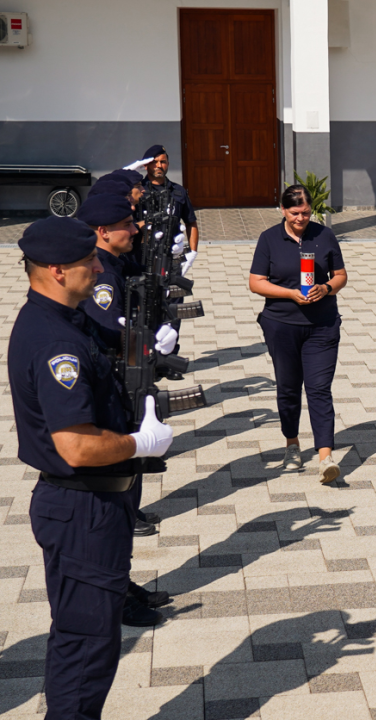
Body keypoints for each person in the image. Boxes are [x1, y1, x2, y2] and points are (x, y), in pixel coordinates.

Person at [9, 216, 174, 720]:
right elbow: (76, 447)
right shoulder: (55, 343)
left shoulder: (65, 318)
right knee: (86, 648)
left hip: (91, 505)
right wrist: (137, 442)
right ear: (58, 270)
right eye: (89, 261)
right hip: (82, 506)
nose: (99, 266)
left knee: (88, 639)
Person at [76, 196, 180, 628]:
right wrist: (148, 345)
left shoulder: (113, 265)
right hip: (113, 388)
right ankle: (113, 595)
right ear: (102, 231)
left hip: (123, 383)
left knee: (126, 497)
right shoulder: (101, 272)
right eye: (126, 223)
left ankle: (121, 582)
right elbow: (110, 327)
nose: (135, 228)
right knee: (113, 508)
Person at [249, 185, 347, 484]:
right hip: (282, 326)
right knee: (289, 389)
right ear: (283, 210)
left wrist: (326, 288)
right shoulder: (269, 239)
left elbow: (341, 275)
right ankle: (292, 444)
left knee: (319, 389)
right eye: (295, 213)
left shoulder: (324, 236)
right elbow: (256, 282)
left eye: (305, 212)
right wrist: (290, 294)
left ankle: (325, 457)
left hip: (322, 326)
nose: (301, 218)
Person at [137, 144, 199, 275]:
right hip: (142, 257)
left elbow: (191, 222)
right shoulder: (137, 191)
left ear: (168, 164)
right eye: (154, 162)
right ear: (145, 165)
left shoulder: (178, 191)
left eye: (162, 162)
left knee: (173, 293)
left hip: (172, 255)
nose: (159, 165)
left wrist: (192, 253)